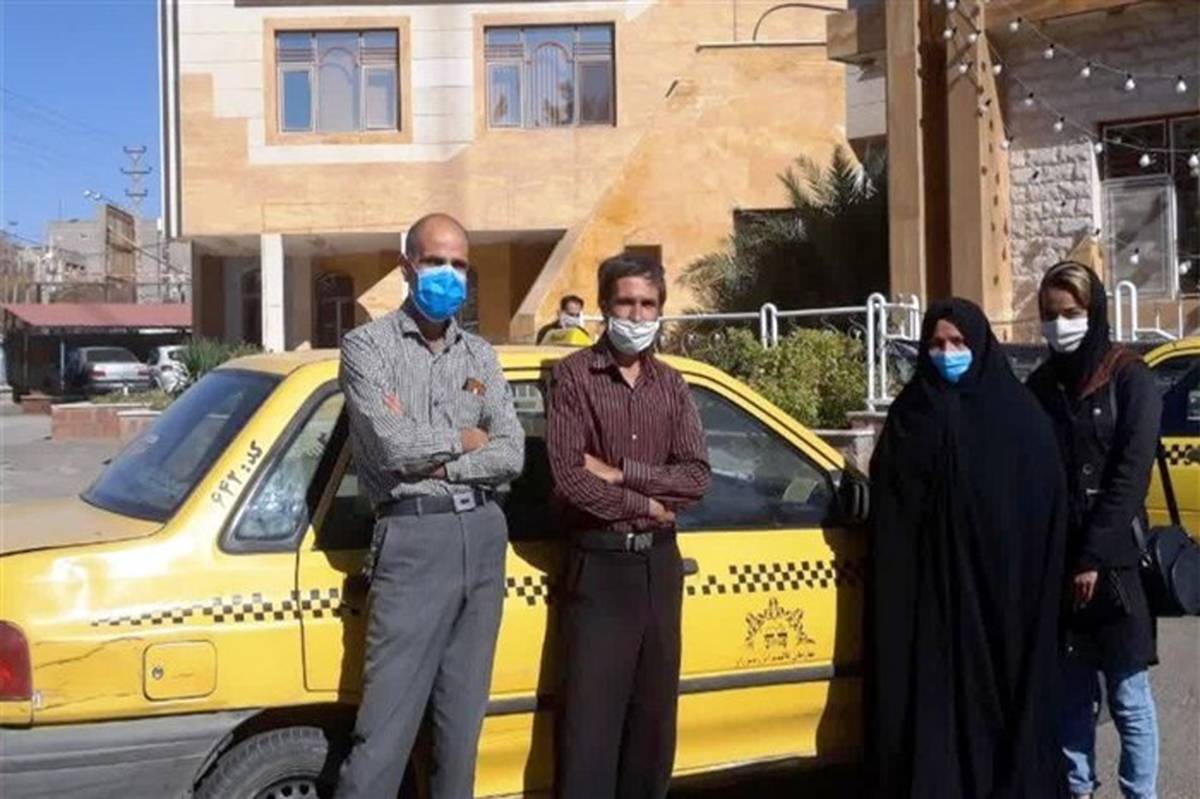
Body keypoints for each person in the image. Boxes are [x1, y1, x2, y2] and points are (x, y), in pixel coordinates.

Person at [334, 213, 525, 799]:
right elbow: (392, 447)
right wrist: (467, 438)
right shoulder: (367, 347)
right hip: (414, 541)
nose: (448, 274)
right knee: (383, 739)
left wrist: (443, 460)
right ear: (407, 267)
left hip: (484, 538)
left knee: (459, 735)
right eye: (436, 261)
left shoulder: (481, 356)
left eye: (459, 264)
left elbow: (512, 452)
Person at [870, 298, 1068, 799]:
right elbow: (890, 507)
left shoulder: (1019, 417)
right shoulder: (910, 414)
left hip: (999, 602)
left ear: (980, 344)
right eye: (937, 343)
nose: (947, 353)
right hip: (928, 601)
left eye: (958, 342)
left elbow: (1042, 507)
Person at [546, 254, 711, 799]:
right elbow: (571, 477)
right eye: (626, 303)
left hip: (659, 567)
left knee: (652, 728)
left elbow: (696, 478)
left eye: (647, 304)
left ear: (660, 310)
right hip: (599, 565)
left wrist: (621, 474)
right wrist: (651, 503)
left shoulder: (672, 384)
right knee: (590, 731)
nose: (637, 315)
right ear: (604, 306)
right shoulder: (574, 377)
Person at [1027, 261, 1161, 799]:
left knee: (1128, 696)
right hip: (1058, 563)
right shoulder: (1042, 385)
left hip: (1115, 562)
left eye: (1071, 312)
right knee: (1070, 696)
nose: (1059, 325)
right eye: (1050, 314)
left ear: (1094, 310)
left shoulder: (1130, 376)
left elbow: (1130, 475)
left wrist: (1093, 557)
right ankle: (1076, 789)